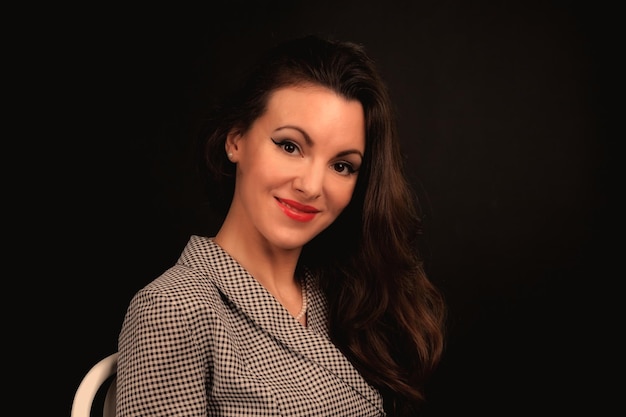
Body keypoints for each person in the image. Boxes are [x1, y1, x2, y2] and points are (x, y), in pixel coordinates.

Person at [116, 34, 446, 416]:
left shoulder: (346, 297)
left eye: (342, 166)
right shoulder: (172, 308)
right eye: (290, 146)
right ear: (235, 139)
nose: (310, 186)